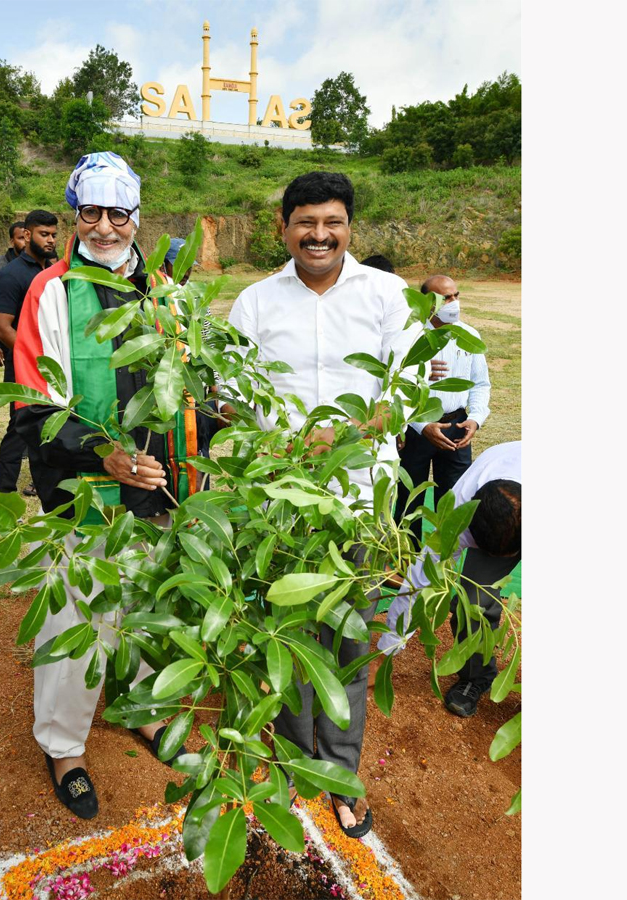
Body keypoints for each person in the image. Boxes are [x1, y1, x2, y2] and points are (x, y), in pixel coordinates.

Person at [222, 171, 423, 838]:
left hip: (361, 502)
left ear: (348, 227)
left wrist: (344, 433)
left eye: (331, 221)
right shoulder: (253, 302)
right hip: (278, 505)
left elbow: (410, 390)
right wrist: (274, 442)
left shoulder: (389, 296)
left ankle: (339, 771)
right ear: (283, 227)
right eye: (305, 221)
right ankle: (294, 757)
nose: (319, 234)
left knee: (345, 642)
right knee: (283, 637)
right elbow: (228, 395)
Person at [9, 152, 207, 819]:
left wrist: (215, 417)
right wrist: (106, 456)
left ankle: (146, 712)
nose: (104, 227)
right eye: (90, 212)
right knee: (77, 617)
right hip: (83, 493)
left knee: (149, 607)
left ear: (136, 218)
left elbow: (183, 389)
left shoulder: (166, 294)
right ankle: (63, 745)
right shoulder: (54, 291)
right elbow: (35, 405)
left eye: (116, 213)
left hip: (159, 489)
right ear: (75, 215)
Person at [380, 440, 521, 717]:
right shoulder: (458, 512)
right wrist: (386, 654)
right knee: (473, 605)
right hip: (499, 522)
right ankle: (475, 677)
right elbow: (418, 582)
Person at [393, 274, 491, 549]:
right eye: (445, 298)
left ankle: (443, 561)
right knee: (408, 496)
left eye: (456, 295)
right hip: (417, 427)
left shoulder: (469, 337)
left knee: (455, 496)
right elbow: (396, 388)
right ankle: (406, 559)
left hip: (457, 426)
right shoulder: (409, 338)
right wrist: (420, 425)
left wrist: (475, 419)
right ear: (427, 302)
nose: (453, 303)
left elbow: (480, 384)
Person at [0, 210, 60, 496]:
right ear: (27, 235)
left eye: (54, 234)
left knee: (50, 427)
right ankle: (5, 492)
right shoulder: (10, 275)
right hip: (24, 365)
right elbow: (2, 326)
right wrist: (32, 357)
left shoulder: (53, 272)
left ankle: (43, 487)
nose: (51, 240)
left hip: (53, 364)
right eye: (44, 234)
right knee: (19, 429)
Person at [0, 222, 28, 368]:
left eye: (27, 237)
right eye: (20, 238)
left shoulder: (40, 265)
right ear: (11, 241)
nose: (25, 242)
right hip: (6, 336)